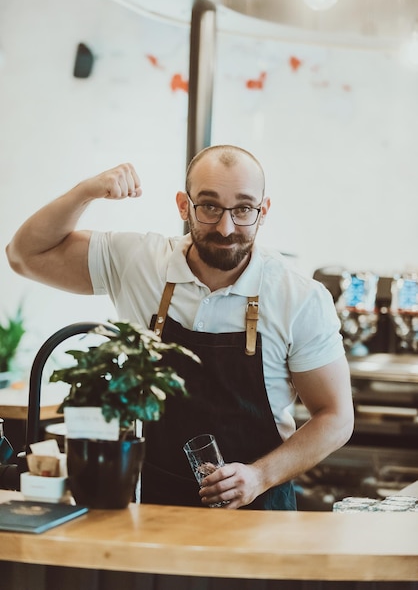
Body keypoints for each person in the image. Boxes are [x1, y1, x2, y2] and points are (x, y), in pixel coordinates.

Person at [6, 144, 354, 510]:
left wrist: (259, 476)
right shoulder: (139, 263)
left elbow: (335, 417)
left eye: (243, 209)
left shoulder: (298, 296)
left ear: (262, 211)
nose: (226, 227)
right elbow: (25, 254)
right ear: (183, 205)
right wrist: (86, 191)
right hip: (151, 509)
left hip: (259, 516)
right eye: (209, 206)